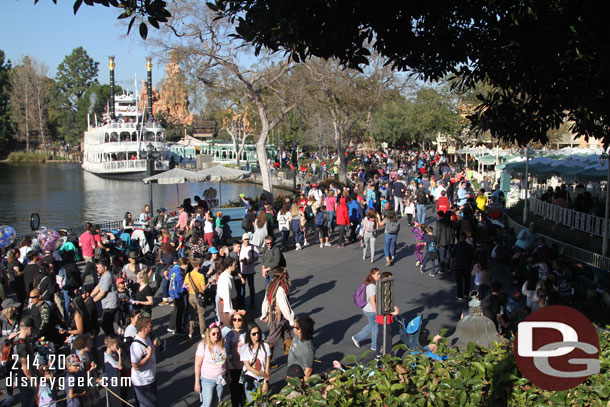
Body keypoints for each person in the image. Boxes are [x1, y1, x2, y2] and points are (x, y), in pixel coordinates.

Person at [261, 268, 294, 356]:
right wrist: (291, 319)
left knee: (286, 334)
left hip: (275, 315)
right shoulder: (280, 290)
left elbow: (265, 300)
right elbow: (284, 307)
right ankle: (264, 358)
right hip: (278, 317)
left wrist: (264, 313)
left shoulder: (271, 285)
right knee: (272, 338)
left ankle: (291, 354)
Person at [194, 323, 228, 407]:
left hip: (220, 379)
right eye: (213, 334)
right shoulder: (203, 346)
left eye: (218, 333)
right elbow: (197, 365)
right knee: (207, 404)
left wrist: (229, 375)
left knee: (217, 403)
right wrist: (197, 382)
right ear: (209, 335)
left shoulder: (222, 345)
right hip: (207, 380)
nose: (216, 335)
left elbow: (225, 362)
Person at [130, 317, 159, 407]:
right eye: (150, 326)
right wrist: (148, 356)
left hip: (150, 377)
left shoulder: (147, 338)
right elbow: (135, 366)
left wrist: (155, 346)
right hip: (142, 381)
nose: (152, 327)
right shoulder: (136, 346)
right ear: (144, 329)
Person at [240, 323, 271, 403]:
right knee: (252, 403)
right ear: (249, 335)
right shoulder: (245, 348)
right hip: (250, 378)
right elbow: (248, 367)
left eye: (258, 333)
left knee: (264, 403)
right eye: (254, 334)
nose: (256, 335)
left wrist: (265, 381)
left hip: (262, 380)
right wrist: (264, 375)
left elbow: (267, 365)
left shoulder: (265, 346)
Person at [352, 268, 381, 351]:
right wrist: (376, 311)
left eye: (379, 274)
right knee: (376, 326)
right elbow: (372, 300)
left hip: (367, 309)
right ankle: (374, 346)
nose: (379, 276)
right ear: (372, 275)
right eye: (377, 274)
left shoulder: (370, 284)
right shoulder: (372, 286)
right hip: (371, 310)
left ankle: (357, 337)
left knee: (372, 324)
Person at [375, 271, 400, 358]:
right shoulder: (385, 290)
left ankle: (378, 352)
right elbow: (385, 306)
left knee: (381, 335)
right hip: (385, 318)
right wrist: (394, 312)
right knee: (387, 337)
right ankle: (388, 353)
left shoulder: (380, 288)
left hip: (380, 318)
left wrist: (393, 307)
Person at [91, 258, 119, 336]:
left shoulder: (107, 276)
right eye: (97, 267)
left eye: (99, 267)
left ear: (105, 267)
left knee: (105, 324)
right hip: (107, 304)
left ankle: (113, 341)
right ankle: (112, 341)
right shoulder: (104, 275)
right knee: (107, 325)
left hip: (110, 305)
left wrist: (92, 301)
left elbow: (102, 293)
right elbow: (98, 287)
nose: (98, 269)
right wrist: (90, 296)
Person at [184, 258, 210, 338]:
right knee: (201, 315)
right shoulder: (201, 276)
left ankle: (190, 332)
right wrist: (209, 282)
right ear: (199, 265)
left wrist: (190, 289)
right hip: (199, 296)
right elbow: (203, 288)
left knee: (192, 315)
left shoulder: (188, 275)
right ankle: (202, 332)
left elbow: (184, 286)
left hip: (191, 296)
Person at [225, 312, 247, 407]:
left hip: (245, 366)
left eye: (239, 320)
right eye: (235, 320)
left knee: (244, 393)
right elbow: (225, 350)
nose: (237, 322)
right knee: (234, 393)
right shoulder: (229, 334)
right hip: (233, 366)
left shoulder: (246, 333)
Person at [14, 316, 36, 407]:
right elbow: (25, 367)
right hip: (25, 378)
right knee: (28, 401)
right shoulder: (22, 345)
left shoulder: (16, 339)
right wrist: (32, 380)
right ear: (30, 328)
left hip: (21, 376)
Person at [287, 317, 315, 381]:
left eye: (294, 327)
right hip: (292, 373)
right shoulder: (297, 337)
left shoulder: (308, 349)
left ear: (299, 330)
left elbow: (308, 371)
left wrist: (300, 385)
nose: (292, 328)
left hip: (298, 379)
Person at [216, 257, 238, 330]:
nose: (236, 266)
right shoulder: (226, 279)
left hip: (227, 302)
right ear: (229, 266)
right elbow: (226, 295)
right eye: (234, 265)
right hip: (226, 305)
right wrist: (230, 310)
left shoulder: (226, 276)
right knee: (228, 326)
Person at [239, 233, 259, 309]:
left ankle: (252, 302)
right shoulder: (240, 247)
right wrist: (242, 261)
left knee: (251, 287)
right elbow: (237, 258)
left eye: (248, 239)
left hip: (250, 271)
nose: (247, 241)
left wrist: (251, 261)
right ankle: (242, 302)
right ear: (242, 239)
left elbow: (257, 257)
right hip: (242, 271)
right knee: (242, 288)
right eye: (245, 239)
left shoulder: (253, 247)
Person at [168, 261, 188, 335]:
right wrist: (184, 291)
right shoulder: (179, 273)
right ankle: (178, 329)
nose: (186, 267)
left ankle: (171, 326)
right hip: (178, 294)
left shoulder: (173, 270)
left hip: (172, 292)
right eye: (186, 265)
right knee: (179, 311)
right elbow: (181, 285)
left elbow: (169, 278)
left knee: (176, 310)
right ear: (183, 264)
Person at [453, 233, 474, 301]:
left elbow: (453, 255)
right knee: (467, 281)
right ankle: (466, 293)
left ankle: (460, 295)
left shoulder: (456, 246)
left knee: (459, 282)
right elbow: (472, 256)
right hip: (467, 266)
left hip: (458, 266)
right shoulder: (469, 246)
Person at [104, 336, 123, 407]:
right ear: (109, 346)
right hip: (112, 382)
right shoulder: (108, 357)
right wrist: (120, 355)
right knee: (115, 402)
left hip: (115, 380)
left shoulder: (112, 354)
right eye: (116, 345)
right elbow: (119, 366)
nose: (118, 347)